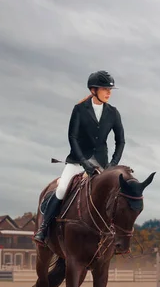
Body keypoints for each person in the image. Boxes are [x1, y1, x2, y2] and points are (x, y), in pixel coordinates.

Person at [33, 70, 126, 245]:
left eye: (110, 89)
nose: (109, 93)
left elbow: (120, 141)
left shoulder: (113, 113)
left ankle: (115, 237)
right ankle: (44, 228)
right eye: (105, 89)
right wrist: (84, 163)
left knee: (115, 197)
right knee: (61, 190)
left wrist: (113, 165)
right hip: (77, 160)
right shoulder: (79, 110)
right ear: (93, 90)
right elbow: (73, 138)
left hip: (102, 163)